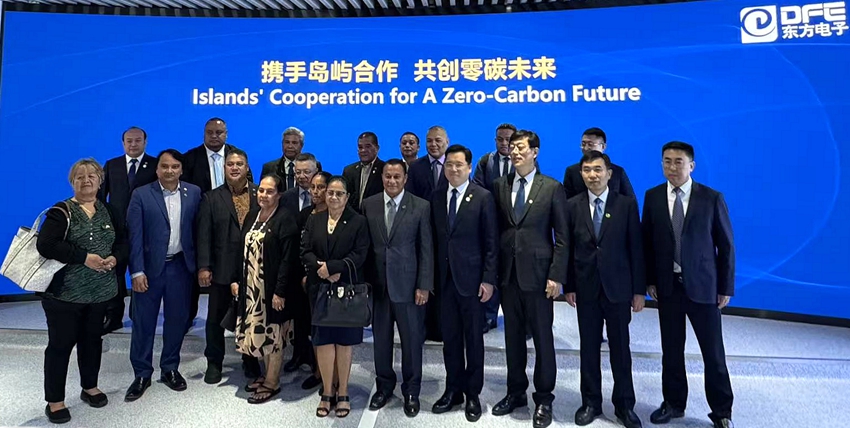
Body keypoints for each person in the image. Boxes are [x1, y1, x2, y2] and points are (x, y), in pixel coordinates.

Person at [642, 141, 735, 428]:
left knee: (713, 354)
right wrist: (649, 280)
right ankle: (673, 403)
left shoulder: (711, 198)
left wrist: (725, 287)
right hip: (668, 287)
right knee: (671, 351)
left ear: (691, 165)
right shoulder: (653, 196)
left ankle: (721, 412)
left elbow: (726, 246)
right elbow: (648, 243)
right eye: (667, 161)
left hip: (704, 287)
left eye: (678, 161)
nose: (672, 167)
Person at [36, 158, 128, 424]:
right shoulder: (61, 211)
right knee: (60, 347)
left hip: (100, 294)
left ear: (100, 180)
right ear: (72, 182)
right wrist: (84, 257)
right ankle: (55, 401)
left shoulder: (109, 210)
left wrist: (115, 258)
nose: (86, 180)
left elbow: (123, 241)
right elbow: (46, 244)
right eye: (80, 176)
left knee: (92, 342)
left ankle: (90, 387)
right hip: (64, 296)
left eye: (91, 176)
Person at [491, 130, 568, 428]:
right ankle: (516, 392)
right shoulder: (499, 185)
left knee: (543, 339)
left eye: (521, 147)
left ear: (535, 152)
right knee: (512, 339)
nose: (515, 152)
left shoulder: (552, 187)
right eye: (512, 147)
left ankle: (544, 398)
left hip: (539, 278)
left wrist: (556, 275)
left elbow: (562, 237)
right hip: (508, 276)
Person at [563, 151, 644, 428]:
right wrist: (569, 286)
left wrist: (638, 290)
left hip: (618, 289)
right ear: (581, 174)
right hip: (585, 288)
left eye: (598, 169)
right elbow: (568, 249)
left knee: (621, 349)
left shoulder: (626, 205)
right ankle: (590, 402)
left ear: (609, 173)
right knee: (588, 348)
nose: (592, 175)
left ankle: (624, 405)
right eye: (587, 170)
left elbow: (636, 249)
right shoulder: (572, 205)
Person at [125, 149, 202, 402]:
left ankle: (170, 368)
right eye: (165, 166)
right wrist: (136, 271)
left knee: (177, 321)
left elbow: (198, 231)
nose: (170, 171)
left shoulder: (194, 193)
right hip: (149, 270)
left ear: (181, 169)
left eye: (175, 167)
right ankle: (142, 374)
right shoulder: (141, 194)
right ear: (157, 169)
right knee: (144, 323)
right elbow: (134, 236)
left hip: (181, 267)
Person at [430, 145, 498, 422]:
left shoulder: (483, 197)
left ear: (469, 167)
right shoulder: (436, 197)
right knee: (450, 340)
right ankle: (453, 389)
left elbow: (491, 243)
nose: (453, 169)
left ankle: (473, 393)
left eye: (459, 164)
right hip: (444, 281)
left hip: (473, 282)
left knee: (473, 340)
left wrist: (488, 280)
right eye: (449, 164)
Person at [363, 159, 434, 417]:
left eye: (397, 177)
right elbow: (365, 247)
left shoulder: (420, 206)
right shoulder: (369, 204)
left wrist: (424, 285)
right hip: (379, 287)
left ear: (405, 178)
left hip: (409, 288)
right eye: (388, 176)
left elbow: (426, 249)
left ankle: (411, 390)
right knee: (381, 342)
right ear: (382, 177)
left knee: (411, 342)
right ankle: (384, 386)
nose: (392, 181)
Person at [301, 175, 370, 418]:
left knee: (343, 342)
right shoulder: (315, 219)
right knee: (323, 341)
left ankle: (343, 392)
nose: (333, 197)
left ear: (347, 197)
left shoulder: (358, 221)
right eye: (330, 192)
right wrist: (321, 269)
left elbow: (360, 254)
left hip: (346, 289)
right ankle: (327, 391)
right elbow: (305, 250)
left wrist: (333, 268)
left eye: (339, 193)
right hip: (319, 289)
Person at [232, 174, 300, 404]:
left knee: (274, 334)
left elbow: (288, 261)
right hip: (252, 289)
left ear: (279, 195)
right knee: (260, 332)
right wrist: (237, 280)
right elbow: (241, 250)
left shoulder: (285, 219)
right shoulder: (253, 215)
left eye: (270, 191)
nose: (263, 195)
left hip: (272, 290)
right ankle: (266, 375)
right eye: (261, 190)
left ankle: (272, 382)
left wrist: (279, 292)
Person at [195, 148, 261, 384]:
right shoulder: (211, 198)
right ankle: (214, 362)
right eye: (230, 164)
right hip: (221, 269)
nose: (234, 168)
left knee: (250, 316)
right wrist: (204, 267)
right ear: (224, 168)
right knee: (215, 319)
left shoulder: (260, 194)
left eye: (239, 164)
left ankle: (250, 359)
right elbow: (204, 235)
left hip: (253, 269)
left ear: (247, 167)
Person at [181, 117, 251, 330]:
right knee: (213, 308)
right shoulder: (190, 158)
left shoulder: (237, 156)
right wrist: (204, 265)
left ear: (226, 134)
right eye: (209, 132)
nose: (214, 136)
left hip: (242, 247)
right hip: (205, 228)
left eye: (219, 132)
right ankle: (190, 321)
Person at [97, 127, 157, 333]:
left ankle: (138, 314)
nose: (133, 144)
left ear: (145, 142)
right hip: (117, 231)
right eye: (129, 141)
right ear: (123, 143)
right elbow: (100, 197)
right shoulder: (111, 165)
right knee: (115, 274)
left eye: (137, 140)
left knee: (142, 272)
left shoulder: (155, 165)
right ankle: (114, 317)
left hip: (146, 229)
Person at [472, 123, 516, 334]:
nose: (504, 143)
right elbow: (478, 188)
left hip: (513, 226)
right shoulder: (485, 161)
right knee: (490, 271)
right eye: (500, 139)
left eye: (508, 139)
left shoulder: (524, 161)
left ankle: (514, 317)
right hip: (489, 224)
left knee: (510, 273)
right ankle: (489, 316)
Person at [295, 171, 331, 391]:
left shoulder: (337, 214)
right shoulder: (305, 215)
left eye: (321, 187)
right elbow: (301, 248)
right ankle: (318, 371)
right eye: (313, 187)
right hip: (309, 281)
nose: (315, 192)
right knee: (313, 328)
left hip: (333, 279)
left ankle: (332, 376)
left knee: (330, 329)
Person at [342, 131, 385, 211]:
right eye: (360, 147)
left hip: (375, 215)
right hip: (353, 216)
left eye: (368, 146)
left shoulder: (384, 169)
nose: (363, 150)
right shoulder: (349, 171)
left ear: (377, 148)